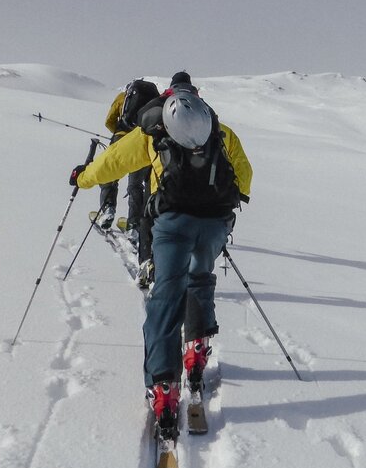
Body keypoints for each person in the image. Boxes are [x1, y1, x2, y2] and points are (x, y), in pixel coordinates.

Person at [69, 73, 252, 438]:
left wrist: (82, 178)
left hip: (172, 223)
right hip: (214, 223)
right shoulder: (220, 129)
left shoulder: (155, 127)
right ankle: (196, 351)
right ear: (197, 96)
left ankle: (164, 388)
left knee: (166, 297)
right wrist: (225, 210)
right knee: (201, 280)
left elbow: (114, 162)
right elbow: (243, 175)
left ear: (170, 94)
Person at [95, 79, 159, 236]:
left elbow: (109, 121)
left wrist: (118, 132)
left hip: (120, 138)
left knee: (109, 176)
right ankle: (134, 224)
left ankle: (108, 209)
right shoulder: (154, 101)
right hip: (141, 143)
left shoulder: (122, 97)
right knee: (136, 185)